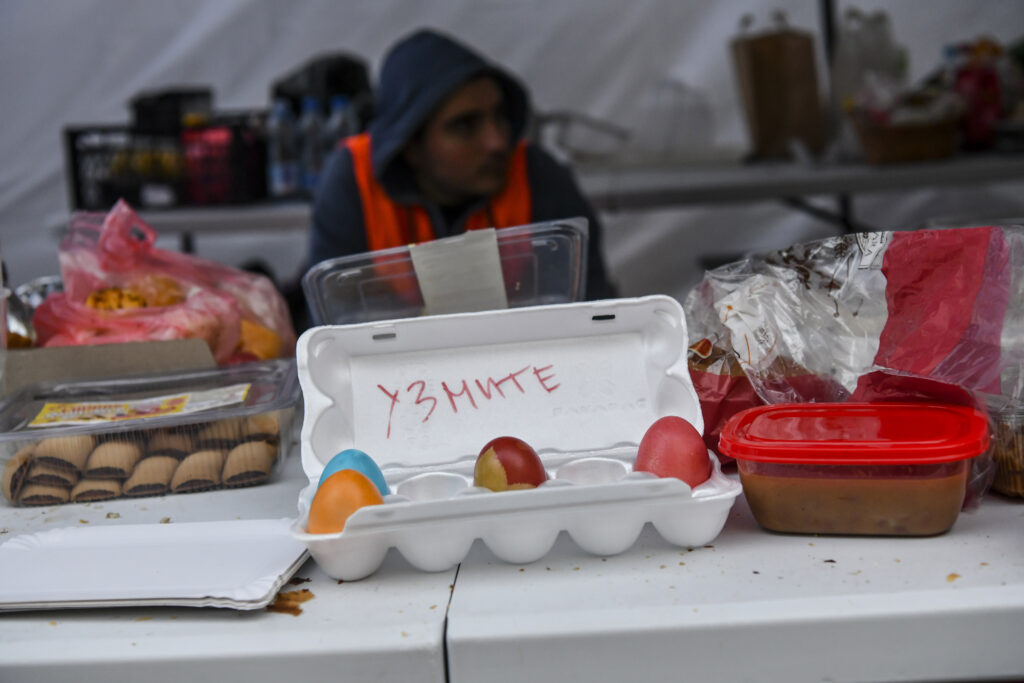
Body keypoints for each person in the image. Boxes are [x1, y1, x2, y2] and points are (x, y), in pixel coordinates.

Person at [307, 28, 618, 307]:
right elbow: (335, 321)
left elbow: (591, 306)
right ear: (410, 146)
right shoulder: (354, 180)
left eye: (499, 116)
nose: (496, 142)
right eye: (465, 125)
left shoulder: (536, 172)